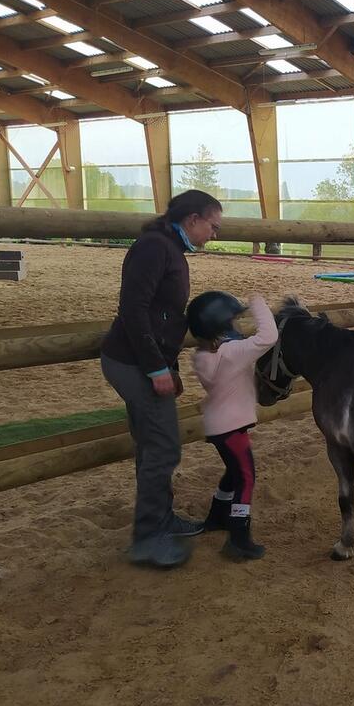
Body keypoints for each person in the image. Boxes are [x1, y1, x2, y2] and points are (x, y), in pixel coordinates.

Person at [100, 190, 222, 569]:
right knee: (165, 446)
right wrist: (156, 368)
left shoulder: (169, 248)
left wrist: (169, 363)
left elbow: (162, 314)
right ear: (192, 220)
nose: (213, 235)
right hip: (132, 362)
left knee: (151, 445)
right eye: (212, 226)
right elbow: (133, 309)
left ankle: (160, 520)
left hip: (142, 360)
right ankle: (149, 537)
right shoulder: (155, 248)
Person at [189, 292, 277, 561]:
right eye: (233, 321)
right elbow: (268, 337)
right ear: (221, 327)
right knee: (246, 477)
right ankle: (239, 536)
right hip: (232, 428)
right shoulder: (232, 354)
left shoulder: (201, 356)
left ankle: (217, 515)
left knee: (233, 471)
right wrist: (258, 304)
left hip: (217, 427)